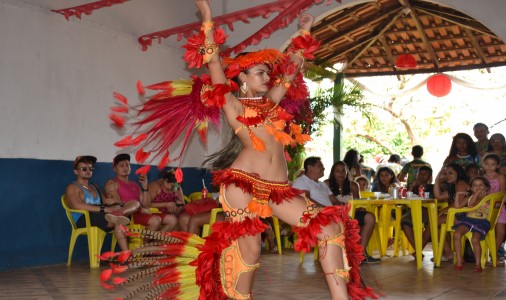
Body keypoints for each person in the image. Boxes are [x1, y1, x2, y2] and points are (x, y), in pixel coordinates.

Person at [100, 2, 376, 299]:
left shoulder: (271, 102)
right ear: (242, 79)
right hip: (243, 184)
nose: (266, 76)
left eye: (266, 72)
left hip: (277, 189)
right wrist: (207, 19)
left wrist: (304, 31)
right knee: (251, 250)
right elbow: (214, 64)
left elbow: (291, 69)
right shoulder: (233, 105)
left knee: (329, 227)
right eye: (259, 72)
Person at [64, 155, 139, 251]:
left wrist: (112, 202)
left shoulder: (94, 186)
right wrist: (105, 209)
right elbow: (76, 205)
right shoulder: (72, 187)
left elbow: (105, 203)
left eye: (90, 169)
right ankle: (127, 253)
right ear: (76, 171)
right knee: (119, 220)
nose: (88, 171)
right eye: (84, 169)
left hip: (102, 216)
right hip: (84, 219)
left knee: (133, 203)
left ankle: (126, 255)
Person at [105, 154, 178, 233]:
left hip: (139, 213)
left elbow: (146, 205)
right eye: (121, 165)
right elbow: (116, 204)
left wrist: (145, 187)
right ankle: (145, 244)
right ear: (114, 169)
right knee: (155, 220)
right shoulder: (112, 183)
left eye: (127, 165)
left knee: (172, 220)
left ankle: (149, 243)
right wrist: (136, 206)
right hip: (128, 215)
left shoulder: (135, 184)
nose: (125, 168)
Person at [327, 161, 381, 264]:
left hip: (351, 213)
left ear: (347, 172)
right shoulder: (326, 184)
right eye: (337, 171)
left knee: (370, 217)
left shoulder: (353, 185)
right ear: (333, 172)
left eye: (343, 171)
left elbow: (358, 203)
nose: (341, 173)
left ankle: (360, 254)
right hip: (333, 215)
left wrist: (359, 208)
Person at [452, 177, 491, 272]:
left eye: (480, 185)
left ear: (486, 188)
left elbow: (474, 204)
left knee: (475, 239)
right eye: (474, 185)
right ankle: (459, 259)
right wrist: (458, 194)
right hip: (468, 220)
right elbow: (457, 206)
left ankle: (478, 264)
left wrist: (477, 194)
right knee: (456, 234)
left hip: (481, 222)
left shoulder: (488, 198)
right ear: (471, 188)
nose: (477, 187)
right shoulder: (469, 197)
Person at [433, 163, 470, 262]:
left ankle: (447, 252)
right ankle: (447, 252)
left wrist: (445, 209)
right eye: (445, 174)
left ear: (458, 173)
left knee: (433, 223)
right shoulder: (454, 186)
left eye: (450, 173)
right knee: (436, 225)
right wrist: (437, 180)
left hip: (466, 217)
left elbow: (460, 203)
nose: (447, 176)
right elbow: (439, 196)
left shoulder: (460, 183)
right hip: (460, 215)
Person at [401, 166, 434, 256]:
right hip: (412, 211)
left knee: (431, 223)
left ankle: (418, 251)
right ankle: (418, 250)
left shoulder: (432, 187)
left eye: (425, 174)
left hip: (428, 211)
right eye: (420, 173)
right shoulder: (411, 187)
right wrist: (412, 186)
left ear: (430, 177)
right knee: (404, 221)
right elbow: (405, 200)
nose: (421, 176)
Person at [481, 153, 506, 265]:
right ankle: (488, 255)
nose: (489, 167)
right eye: (487, 164)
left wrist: (495, 203)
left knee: (501, 232)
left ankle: (493, 253)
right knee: (486, 232)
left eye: (492, 164)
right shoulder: (481, 178)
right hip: (484, 209)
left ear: (497, 165)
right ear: (483, 165)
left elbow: (503, 194)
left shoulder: (500, 177)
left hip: (499, 208)